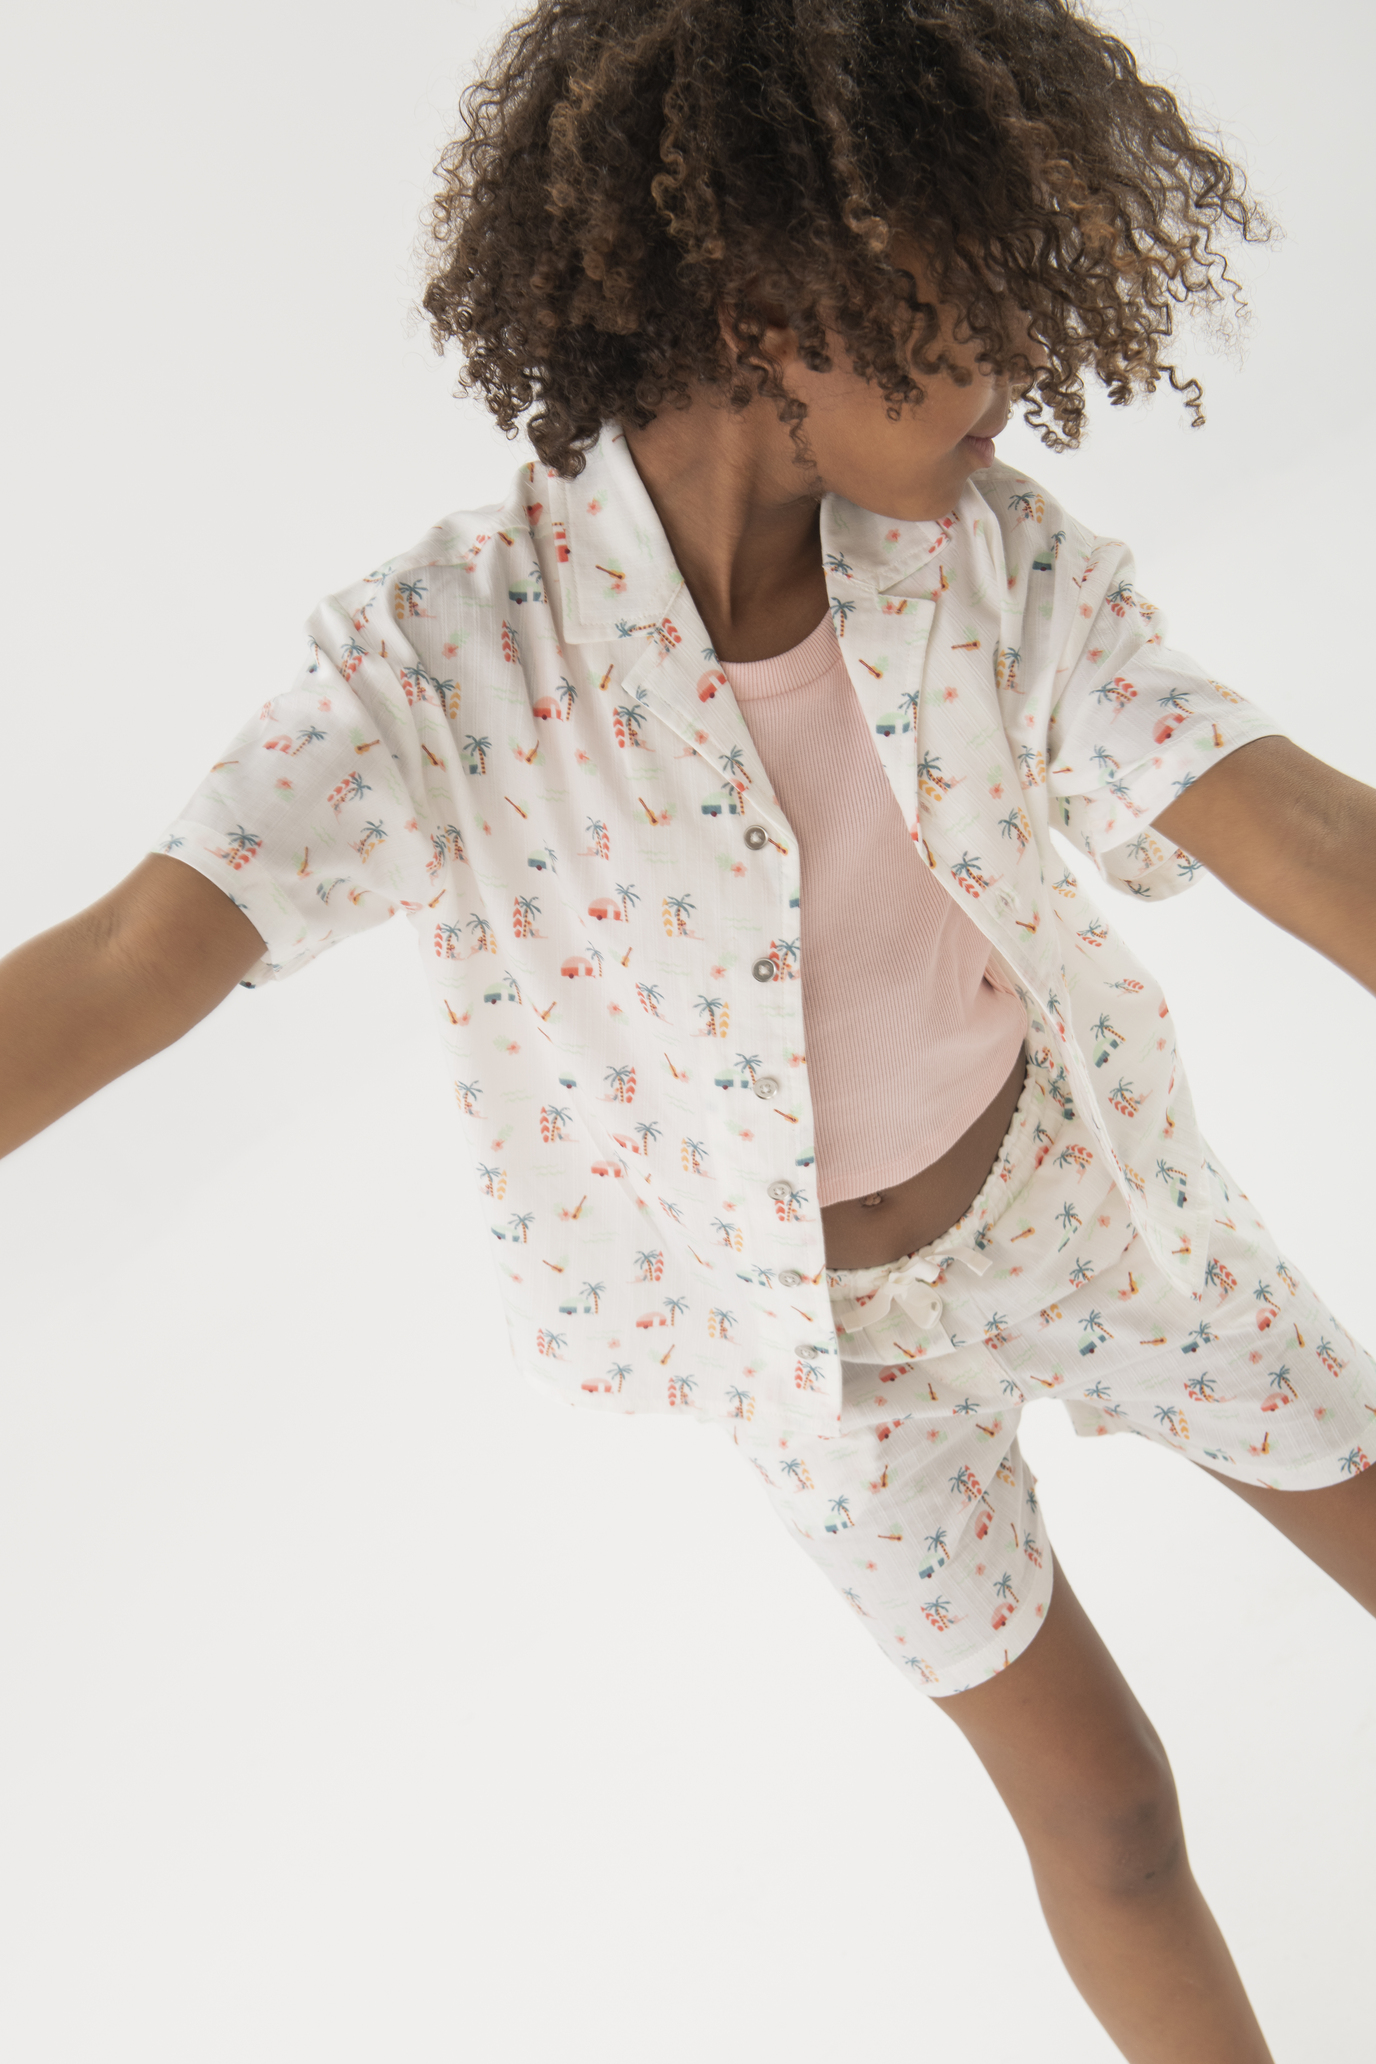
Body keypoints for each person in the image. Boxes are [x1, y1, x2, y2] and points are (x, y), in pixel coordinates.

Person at [3, 0, 1374, 2055]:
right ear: (768, 312)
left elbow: (1283, 816)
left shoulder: (997, 572)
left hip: (1094, 1220)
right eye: (973, 308)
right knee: (1106, 1820)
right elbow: (134, 954)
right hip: (821, 1370)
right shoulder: (447, 663)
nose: (1020, 370)